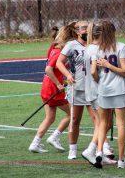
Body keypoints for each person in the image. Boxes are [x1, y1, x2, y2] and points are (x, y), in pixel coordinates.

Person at [28, 24, 76, 153]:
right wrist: (59, 84)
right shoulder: (59, 52)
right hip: (53, 88)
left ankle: (35, 143)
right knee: (72, 113)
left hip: (46, 87)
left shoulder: (52, 47)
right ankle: (55, 136)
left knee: (50, 117)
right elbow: (48, 69)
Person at [56, 21, 98, 160]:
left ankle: (100, 148)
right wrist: (68, 75)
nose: (87, 31)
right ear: (77, 31)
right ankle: (72, 149)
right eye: (84, 28)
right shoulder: (71, 45)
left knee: (97, 120)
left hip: (93, 88)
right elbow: (59, 62)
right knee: (74, 119)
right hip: (77, 88)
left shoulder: (95, 44)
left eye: (88, 27)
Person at [91, 21, 125, 169]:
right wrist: (110, 66)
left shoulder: (98, 49)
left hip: (104, 90)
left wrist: (99, 81)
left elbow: (94, 71)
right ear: (113, 32)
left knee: (102, 123)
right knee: (120, 124)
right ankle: (120, 160)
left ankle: (99, 153)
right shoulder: (121, 47)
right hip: (119, 89)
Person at [81, 21, 117, 166]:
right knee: (105, 123)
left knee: (105, 123)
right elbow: (93, 71)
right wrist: (100, 82)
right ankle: (91, 150)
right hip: (98, 90)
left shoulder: (89, 48)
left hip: (90, 89)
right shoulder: (97, 49)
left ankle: (98, 153)